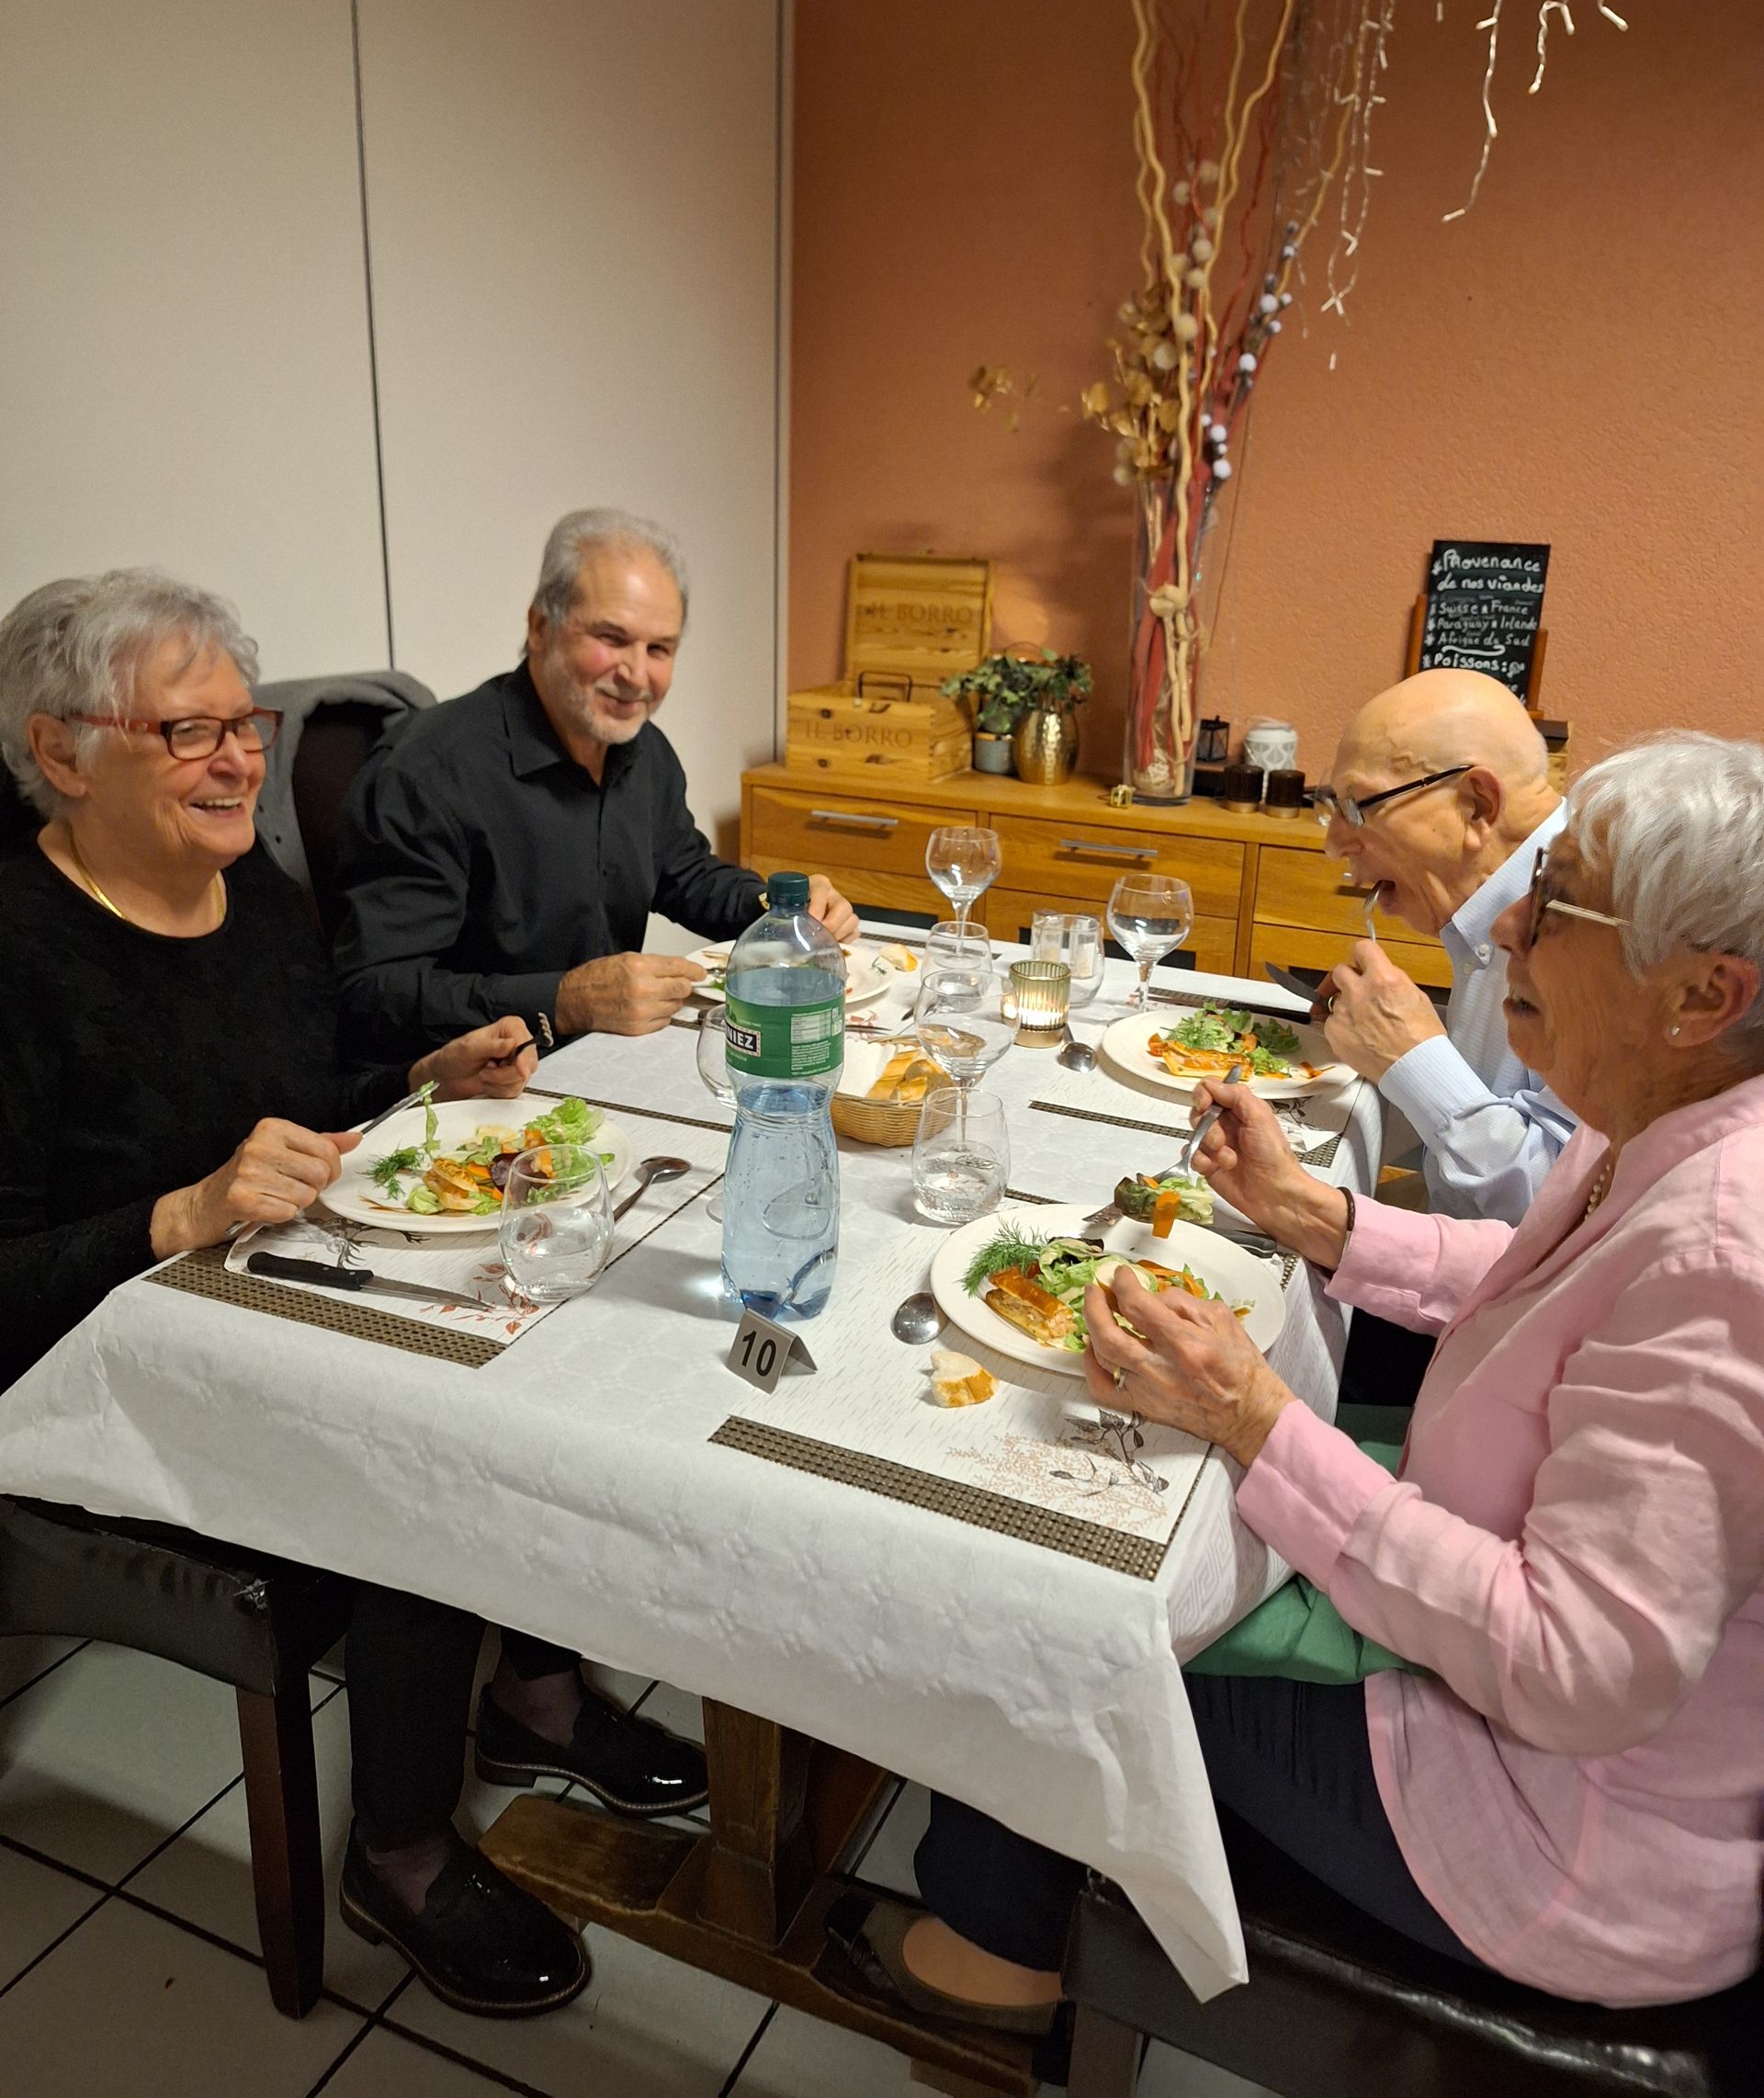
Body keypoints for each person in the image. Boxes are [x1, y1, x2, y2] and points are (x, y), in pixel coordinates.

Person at [827, 731, 1764, 2024]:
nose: (1506, 939)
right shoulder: (1669, 1116)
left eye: (1555, 908)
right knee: (1119, 1523)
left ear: (1704, 996)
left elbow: (1572, 1665)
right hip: (1519, 1706)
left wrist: (1255, 1417)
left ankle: (993, 1964)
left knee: (1043, 1633)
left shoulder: (1731, 1250)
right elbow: (1540, 1271)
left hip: (1557, 1831)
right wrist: (1314, 1214)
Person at [0, 571, 707, 2018]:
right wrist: (175, 1214)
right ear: (62, 751)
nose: (241, 761)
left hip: (246, 1294)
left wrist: (412, 1085)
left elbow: (302, 1101)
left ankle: (535, 1698)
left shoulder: (242, 890)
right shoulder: (17, 952)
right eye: (187, 732)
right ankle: (396, 1847)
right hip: (91, 1367)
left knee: (541, 1320)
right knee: (420, 1445)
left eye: (241, 725)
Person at [335, 509, 858, 1060]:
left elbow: (683, 872)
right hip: (466, 1099)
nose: (637, 675)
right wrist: (562, 1000)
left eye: (659, 649)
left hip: (599, 1062)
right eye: (612, 639)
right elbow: (372, 997)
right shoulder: (426, 774)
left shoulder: (643, 750)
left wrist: (781, 912)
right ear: (540, 628)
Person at [1311, 668, 1573, 1222]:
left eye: (1358, 808)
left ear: (1476, 806)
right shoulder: (1486, 903)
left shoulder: (1594, 919)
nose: (1333, 844)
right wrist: (1385, 1047)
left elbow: (1562, 1214)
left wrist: (1413, 1056)